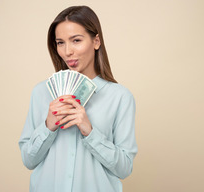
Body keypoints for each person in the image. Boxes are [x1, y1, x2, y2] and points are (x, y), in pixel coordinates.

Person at [19, 5, 138, 192]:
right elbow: (28, 160)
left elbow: (124, 168)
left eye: (76, 40)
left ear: (96, 41)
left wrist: (90, 132)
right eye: (60, 42)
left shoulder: (120, 97)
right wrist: (48, 126)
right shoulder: (41, 92)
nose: (67, 52)